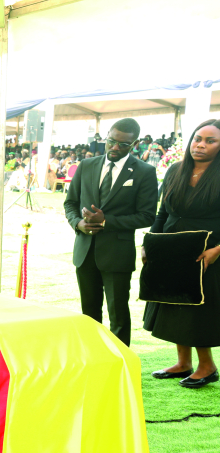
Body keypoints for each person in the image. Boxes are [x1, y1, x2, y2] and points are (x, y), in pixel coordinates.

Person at [64, 118, 157, 347]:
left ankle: (120, 363)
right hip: (85, 251)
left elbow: (147, 216)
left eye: (123, 145)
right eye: (111, 141)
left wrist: (106, 221)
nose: (115, 148)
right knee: (89, 313)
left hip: (117, 254)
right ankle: (93, 357)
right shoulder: (86, 165)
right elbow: (70, 203)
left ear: (134, 144)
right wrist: (78, 224)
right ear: (106, 136)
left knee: (118, 315)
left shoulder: (144, 171)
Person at [143, 119, 220, 387]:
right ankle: (183, 362)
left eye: (210, 141)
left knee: (198, 309)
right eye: (198, 138)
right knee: (176, 303)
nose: (200, 145)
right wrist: (150, 243)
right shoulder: (175, 169)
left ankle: (207, 366)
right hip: (172, 247)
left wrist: (217, 250)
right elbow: (163, 212)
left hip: (208, 252)